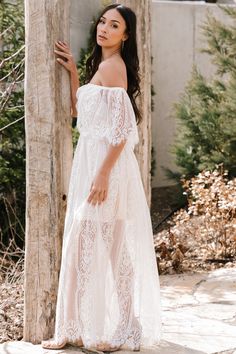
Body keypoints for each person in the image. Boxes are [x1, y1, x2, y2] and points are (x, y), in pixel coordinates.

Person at [41, 3, 161, 352]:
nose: (104, 29)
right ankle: (103, 326)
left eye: (115, 25)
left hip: (104, 170)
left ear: (125, 35)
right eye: (103, 22)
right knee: (108, 250)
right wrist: (76, 75)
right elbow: (87, 116)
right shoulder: (103, 67)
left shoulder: (113, 68)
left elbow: (122, 130)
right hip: (96, 165)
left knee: (91, 248)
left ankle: (104, 327)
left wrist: (103, 175)